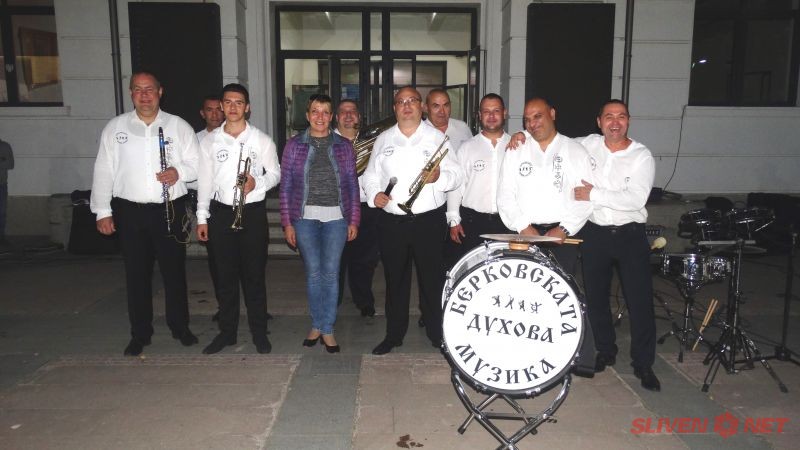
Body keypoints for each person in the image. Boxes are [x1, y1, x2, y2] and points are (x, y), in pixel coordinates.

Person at [91, 71, 199, 356]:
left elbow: (198, 165)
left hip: (169, 209)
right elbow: (103, 170)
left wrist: (179, 172)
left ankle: (180, 327)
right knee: (136, 275)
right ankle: (140, 333)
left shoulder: (178, 126)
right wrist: (102, 210)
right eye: (138, 89)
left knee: (174, 273)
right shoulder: (115, 128)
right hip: (130, 212)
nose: (144, 95)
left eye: (149, 89)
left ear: (160, 92)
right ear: (131, 94)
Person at [362, 86, 463, 355]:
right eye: (401, 102)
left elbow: (457, 176)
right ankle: (393, 335)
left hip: (428, 221)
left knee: (432, 281)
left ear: (421, 107)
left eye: (412, 101)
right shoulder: (383, 139)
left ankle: (436, 333)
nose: (406, 106)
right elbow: (371, 175)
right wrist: (374, 194)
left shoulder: (437, 138)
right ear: (394, 108)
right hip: (392, 222)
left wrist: (440, 177)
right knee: (395, 281)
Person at [574, 99, 660, 391]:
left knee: (639, 301)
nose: (615, 122)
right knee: (596, 298)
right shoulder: (586, 144)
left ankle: (643, 363)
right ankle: (605, 350)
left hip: (629, 235)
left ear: (628, 121)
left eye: (621, 116)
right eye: (608, 116)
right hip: (595, 233)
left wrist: (593, 194)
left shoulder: (641, 156)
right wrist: (521, 136)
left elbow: (635, 199)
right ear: (599, 122)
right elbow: (552, 141)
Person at [196, 84, 280, 354]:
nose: (233, 107)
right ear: (222, 106)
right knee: (225, 278)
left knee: (254, 277)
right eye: (228, 102)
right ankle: (227, 333)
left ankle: (259, 333)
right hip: (221, 213)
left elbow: (275, 174)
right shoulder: (209, 142)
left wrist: (257, 183)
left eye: (239, 102)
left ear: (248, 107)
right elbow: (205, 182)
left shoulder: (262, 140)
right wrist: (202, 217)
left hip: (252, 213)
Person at [280, 93, 360, 354]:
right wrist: (287, 223)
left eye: (325, 112)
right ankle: (317, 324)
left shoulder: (344, 146)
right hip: (304, 219)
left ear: (332, 116)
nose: (320, 117)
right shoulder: (293, 145)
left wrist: (354, 219)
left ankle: (327, 328)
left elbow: (352, 185)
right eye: (315, 111)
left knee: (331, 273)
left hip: (337, 218)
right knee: (314, 273)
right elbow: (286, 187)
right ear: (307, 115)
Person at [497, 97, 593, 276]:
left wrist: (565, 228)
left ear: (552, 114)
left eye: (538, 116)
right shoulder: (516, 150)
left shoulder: (575, 151)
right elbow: (505, 194)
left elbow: (586, 198)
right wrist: (522, 226)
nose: (532, 123)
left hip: (561, 238)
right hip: (523, 235)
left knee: (560, 288)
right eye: (527, 119)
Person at [446, 93, 512, 262]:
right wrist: (453, 220)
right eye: (486, 111)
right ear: (479, 115)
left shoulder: (517, 146)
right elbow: (456, 187)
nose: (491, 116)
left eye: (496, 111)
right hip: (473, 222)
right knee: (473, 269)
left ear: (505, 113)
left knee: (505, 271)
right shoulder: (466, 148)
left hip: (508, 222)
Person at [335, 99, 379, 317]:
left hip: (365, 206)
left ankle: (363, 300)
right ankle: (333, 301)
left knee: (365, 259)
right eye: (343, 112)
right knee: (335, 258)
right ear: (336, 118)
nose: (348, 115)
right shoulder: (328, 141)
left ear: (359, 117)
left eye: (352, 111)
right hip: (336, 208)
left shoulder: (372, 142)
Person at [0, 137, 13, 251]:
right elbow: (5, 162)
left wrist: (4, 161)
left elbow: (11, 164)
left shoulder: (5, 146)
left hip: (2, 185)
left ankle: (1, 237)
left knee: (2, 213)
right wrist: (2, 160)